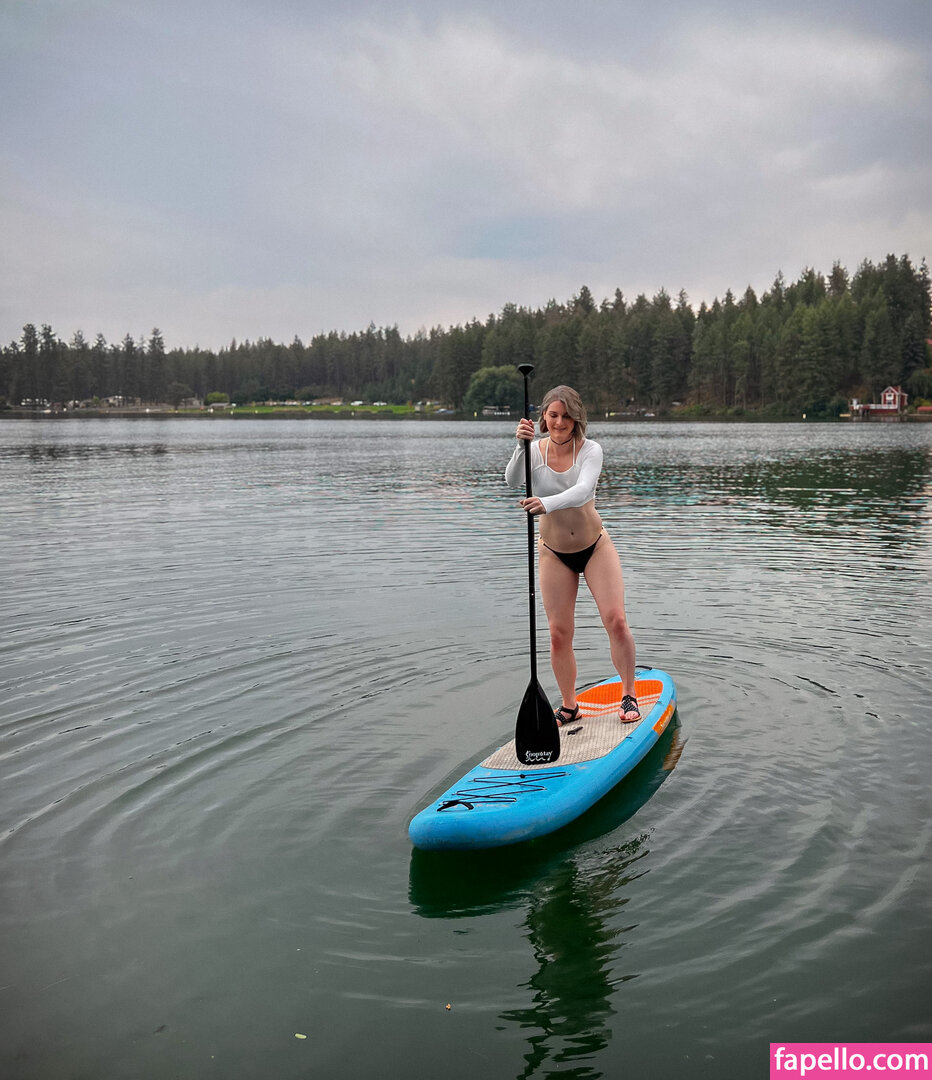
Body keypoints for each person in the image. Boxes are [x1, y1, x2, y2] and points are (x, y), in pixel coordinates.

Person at [505, 385, 640, 724]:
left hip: (595, 547)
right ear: (543, 417)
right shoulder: (534, 450)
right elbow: (512, 480)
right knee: (558, 634)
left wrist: (546, 503)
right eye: (553, 415)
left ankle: (628, 694)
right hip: (554, 553)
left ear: (577, 418)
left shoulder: (590, 450)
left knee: (616, 621)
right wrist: (520, 447)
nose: (559, 422)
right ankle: (569, 705)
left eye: (566, 416)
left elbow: (582, 492)